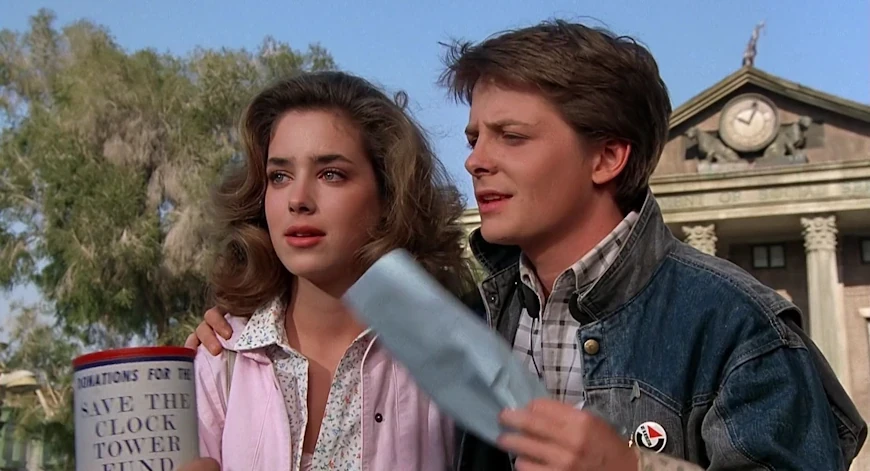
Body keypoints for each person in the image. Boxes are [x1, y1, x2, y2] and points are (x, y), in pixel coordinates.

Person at [188, 21, 866, 470]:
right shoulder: (472, 319)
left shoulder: (737, 323)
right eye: (474, 138)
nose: (476, 160)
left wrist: (631, 468)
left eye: (511, 137)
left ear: (607, 157)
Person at [181, 71, 473, 470]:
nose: (298, 199)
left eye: (330, 174)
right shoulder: (218, 361)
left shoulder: (449, 358)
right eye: (279, 176)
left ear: (389, 194)